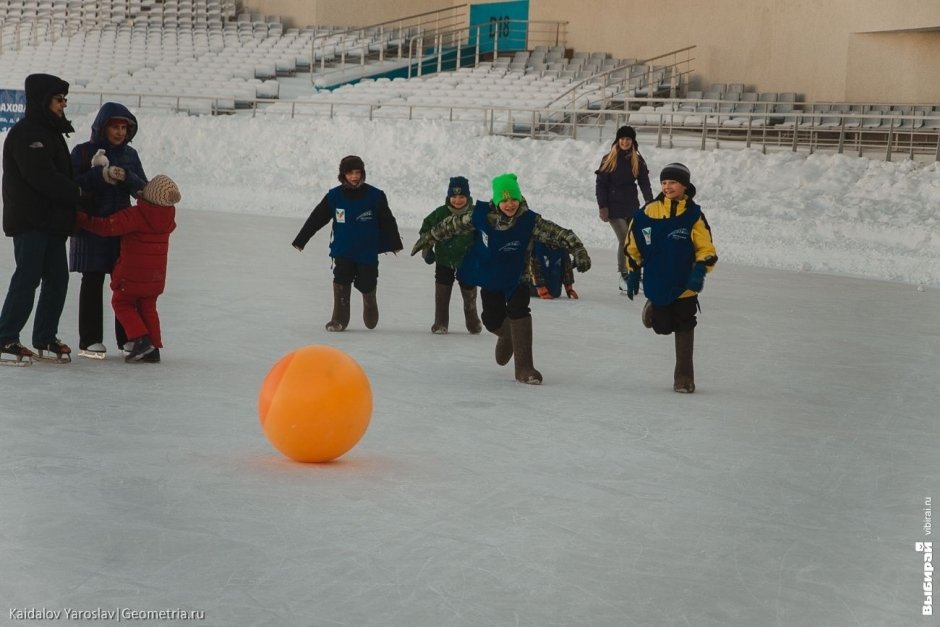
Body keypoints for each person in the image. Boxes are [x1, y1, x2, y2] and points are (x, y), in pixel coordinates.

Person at [411, 173, 591, 385]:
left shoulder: (530, 221)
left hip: (517, 277)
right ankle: (508, 336)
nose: (509, 204)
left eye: (513, 199)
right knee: (491, 319)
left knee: (520, 311)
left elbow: (560, 233)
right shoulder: (481, 216)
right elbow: (452, 224)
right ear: (497, 201)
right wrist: (428, 238)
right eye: (504, 200)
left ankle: (525, 368)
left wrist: (579, 250)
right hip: (491, 276)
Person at [0, 73, 85, 365]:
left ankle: (44, 337)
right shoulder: (27, 134)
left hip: (51, 221)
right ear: (42, 99)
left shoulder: (51, 133)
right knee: (28, 276)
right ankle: (5, 337)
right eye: (58, 99)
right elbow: (42, 177)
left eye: (64, 100)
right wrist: (77, 191)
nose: (63, 105)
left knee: (57, 278)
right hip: (30, 219)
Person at [624, 163, 717, 393]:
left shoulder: (693, 215)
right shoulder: (646, 212)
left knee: (685, 323)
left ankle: (683, 378)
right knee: (663, 327)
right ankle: (653, 308)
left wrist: (700, 270)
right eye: (664, 182)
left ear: (684, 185)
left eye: (673, 182)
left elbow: (706, 247)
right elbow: (632, 244)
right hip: (658, 279)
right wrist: (633, 271)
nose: (667, 186)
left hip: (685, 283)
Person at [70, 102, 148, 359]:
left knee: (123, 285)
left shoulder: (130, 155)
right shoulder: (83, 151)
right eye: (115, 126)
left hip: (122, 229)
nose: (120, 132)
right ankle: (90, 339)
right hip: (92, 227)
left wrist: (126, 177)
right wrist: (98, 174)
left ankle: (126, 337)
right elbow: (71, 186)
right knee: (92, 280)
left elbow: (143, 189)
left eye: (124, 127)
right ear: (103, 127)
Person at [74, 175, 179, 364]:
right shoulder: (168, 218)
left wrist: (82, 219)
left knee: (121, 303)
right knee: (148, 307)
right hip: (155, 277)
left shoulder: (136, 215)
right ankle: (153, 348)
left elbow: (106, 226)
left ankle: (140, 340)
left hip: (132, 274)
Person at [292, 155, 403, 332]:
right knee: (341, 280)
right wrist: (301, 239)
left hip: (367, 251)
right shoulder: (334, 196)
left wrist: (394, 243)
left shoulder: (375, 196)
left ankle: (370, 301)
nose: (354, 177)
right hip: (342, 250)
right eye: (350, 173)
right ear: (343, 175)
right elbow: (317, 218)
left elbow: (387, 220)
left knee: (367, 282)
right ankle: (339, 319)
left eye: (357, 172)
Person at [418, 175, 482, 334]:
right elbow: (426, 230)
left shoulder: (475, 214)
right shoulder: (440, 213)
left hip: (468, 259)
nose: (457, 200)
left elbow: (485, 234)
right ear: (448, 196)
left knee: (469, 291)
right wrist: (427, 249)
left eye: (462, 196)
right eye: (453, 196)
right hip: (444, 259)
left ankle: (472, 320)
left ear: (468, 197)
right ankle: (440, 322)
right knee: (442, 288)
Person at [594, 125, 653, 294]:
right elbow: (601, 185)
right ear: (617, 140)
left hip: (631, 205)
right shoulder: (609, 159)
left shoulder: (637, 160)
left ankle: (636, 274)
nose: (625, 142)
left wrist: (649, 200)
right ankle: (624, 276)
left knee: (636, 239)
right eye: (622, 139)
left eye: (628, 139)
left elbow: (644, 182)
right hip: (613, 207)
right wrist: (602, 206)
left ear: (632, 141)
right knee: (625, 239)